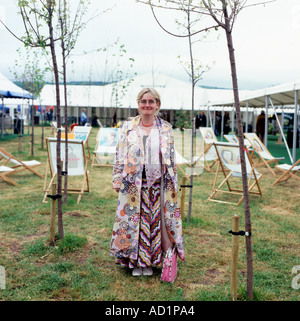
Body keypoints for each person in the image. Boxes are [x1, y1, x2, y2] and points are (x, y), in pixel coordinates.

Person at [110, 88, 185, 277]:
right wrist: (117, 178)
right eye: (143, 101)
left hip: (158, 185)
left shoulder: (165, 128)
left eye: (151, 102)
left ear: (157, 105)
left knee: (153, 223)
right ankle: (135, 262)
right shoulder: (128, 126)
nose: (147, 105)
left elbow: (171, 158)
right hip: (132, 184)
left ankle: (150, 261)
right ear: (138, 104)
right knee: (133, 222)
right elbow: (119, 155)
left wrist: (173, 183)